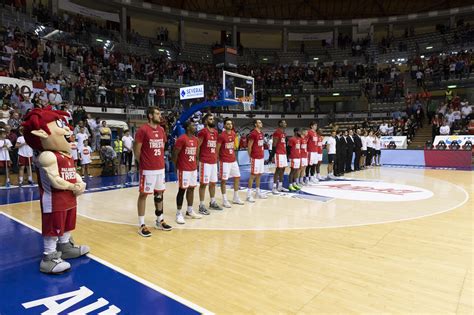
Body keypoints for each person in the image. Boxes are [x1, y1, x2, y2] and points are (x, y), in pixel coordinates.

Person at [22, 108, 88, 274]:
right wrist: (73, 186)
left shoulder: (65, 154)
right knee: (53, 227)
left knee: (67, 224)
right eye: (60, 125)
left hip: (69, 197)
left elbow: (73, 174)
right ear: (42, 134)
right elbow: (55, 180)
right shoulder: (47, 156)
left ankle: (65, 247)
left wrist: (80, 183)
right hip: (54, 199)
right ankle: (48, 257)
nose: (67, 129)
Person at [134, 107, 172, 237]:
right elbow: (137, 150)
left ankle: (159, 220)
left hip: (160, 168)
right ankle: (141, 224)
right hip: (148, 169)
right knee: (143, 195)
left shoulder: (161, 130)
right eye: (157, 113)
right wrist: (143, 163)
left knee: (159, 194)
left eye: (160, 113)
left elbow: (162, 148)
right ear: (150, 116)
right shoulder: (143, 130)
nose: (159, 116)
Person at [172, 121, 202, 225]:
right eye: (193, 125)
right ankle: (178, 213)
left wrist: (196, 165)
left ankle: (189, 211)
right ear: (188, 128)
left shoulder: (196, 139)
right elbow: (175, 154)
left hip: (193, 168)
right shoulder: (182, 139)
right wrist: (177, 167)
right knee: (182, 190)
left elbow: (196, 154)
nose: (195, 126)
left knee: (191, 189)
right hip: (183, 169)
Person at [197, 113, 222, 215]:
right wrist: (197, 159)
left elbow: (216, 146)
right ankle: (201, 205)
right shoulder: (203, 132)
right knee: (203, 184)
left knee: (213, 183)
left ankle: (212, 202)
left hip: (213, 161)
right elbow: (198, 146)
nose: (213, 120)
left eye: (213, 119)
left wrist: (216, 157)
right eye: (210, 119)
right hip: (204, 161)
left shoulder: (215, 132)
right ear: (206, 121)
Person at [217, 118, 244, 207]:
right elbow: (217, 149)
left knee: (237, 177)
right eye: (228, 124)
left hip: (233, 160)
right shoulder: (221, 136)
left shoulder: (233, 134)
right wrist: (217, 159)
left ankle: (235, 197)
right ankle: (224, 200)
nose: (230, 125)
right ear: (224, 125)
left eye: (231, 124)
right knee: (224, 180)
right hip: (224, 161)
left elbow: (233, 147)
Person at [246, 119, 268, 202]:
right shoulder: (253, 134)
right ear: (255, 124)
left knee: (259, 175)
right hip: (255, 157)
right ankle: (248, 195)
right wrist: (250, 157)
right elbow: (249, 147)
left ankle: (258, 192)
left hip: (261, 157)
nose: (261, 123)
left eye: (261, 122)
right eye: (259, 122)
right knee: (253, 175)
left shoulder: (261, 133)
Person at [270, 120, 289, 194]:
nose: (286, 124)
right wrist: (272, 156)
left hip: (283, 154)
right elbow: (274, 145)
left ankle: (280, 186)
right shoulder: (276, 132)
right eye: (284, 123)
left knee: (283, 169)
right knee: (278, 169)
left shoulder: (284, 133)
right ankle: (274, 187)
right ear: (280, 124)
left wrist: (286, 154)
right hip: (278, 154)